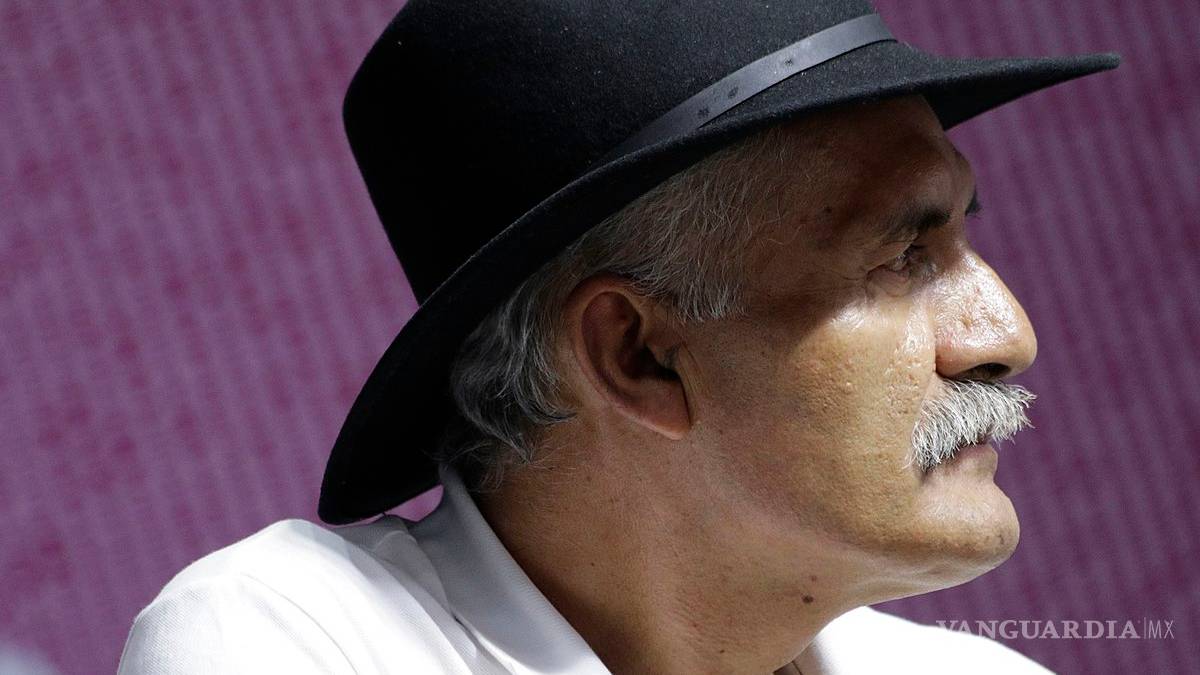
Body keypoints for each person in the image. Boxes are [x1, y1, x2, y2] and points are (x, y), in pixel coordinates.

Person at [119, 1, 1119, 673]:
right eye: (902, 257)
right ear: (638, 357)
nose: (1007, 334)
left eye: (962, 234)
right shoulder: (288, 641)